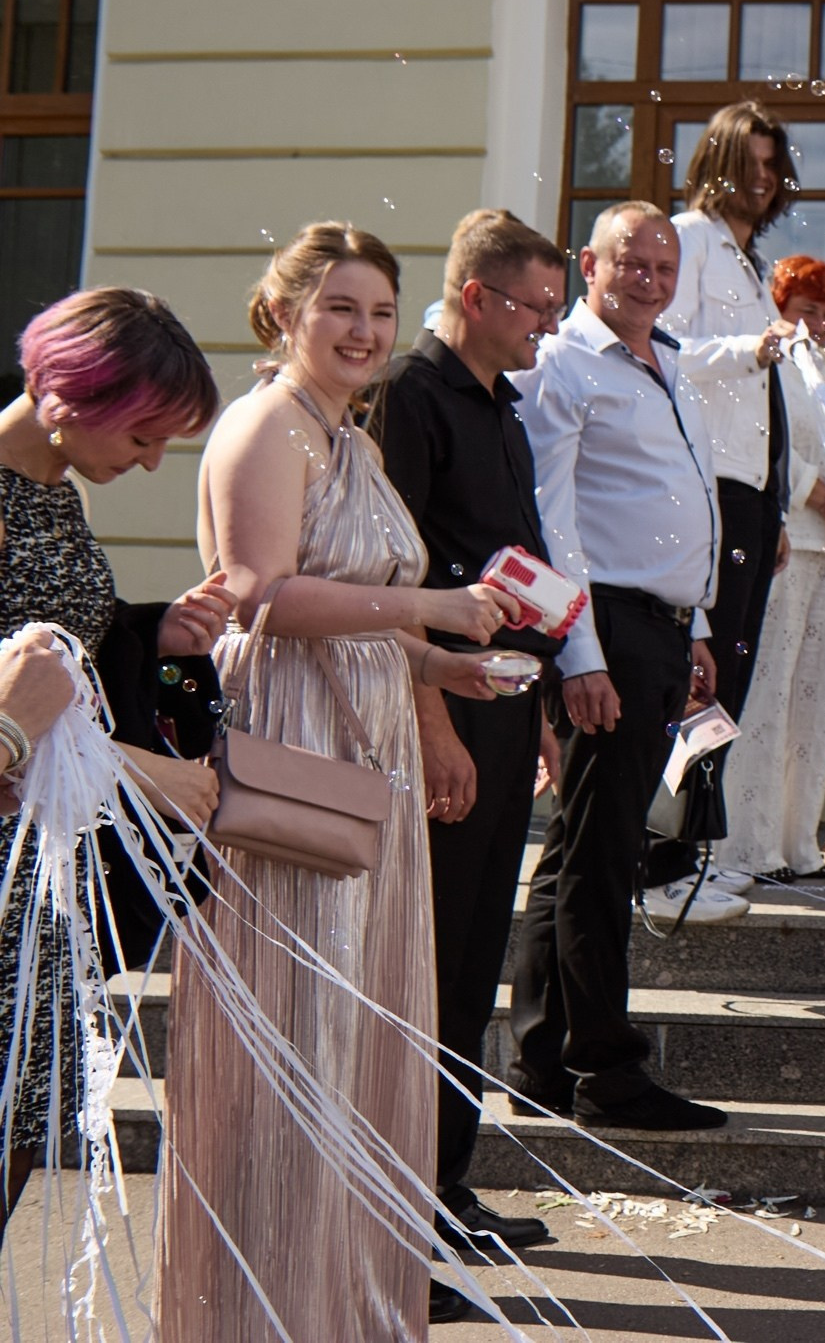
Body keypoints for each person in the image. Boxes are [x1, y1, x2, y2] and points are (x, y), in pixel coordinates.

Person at [161, 224, 516, 1338]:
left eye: (377, 310)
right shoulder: (268, 425)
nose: (364, 332)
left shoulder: (346, 438)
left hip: (366, 736)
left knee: (356, 1026)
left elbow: (361, 605)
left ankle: (337, 1294)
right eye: (340, 309)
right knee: (300, 1016)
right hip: (296, 741)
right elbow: (261, 594)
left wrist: (441, 663)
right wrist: (425, 609)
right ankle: (266, 1301)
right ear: (287, 314)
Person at [365, 210, 569, 1260]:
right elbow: (393, 576)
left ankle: (446, 1186)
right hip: (430, 714)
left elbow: (509, 572)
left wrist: (532, 706)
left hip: (498, 707)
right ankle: (401, 1208)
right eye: (537, 306)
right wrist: (434, 717)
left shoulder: (507, 408)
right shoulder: (410, 395)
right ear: (480, 297)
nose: (550, 325)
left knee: (475, 954)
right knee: (429, 961)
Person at [0, 289, 225, 1223]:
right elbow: (29, 708)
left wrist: (157, 638)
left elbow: (64, 665)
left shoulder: (53, 489)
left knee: (15, 1130)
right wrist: (154, 774)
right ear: (71, 402)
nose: (150, 461)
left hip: (35, 882)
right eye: (141, 437)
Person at [509, 202, 732, 1133]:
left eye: (664, 263)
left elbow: (679, 502)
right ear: (589, 265)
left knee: (579, 846)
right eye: (630, 261)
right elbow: (551, 516)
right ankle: (607, 1069)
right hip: (606, 627)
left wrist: (699, 626)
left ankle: (542, 1061)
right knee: (603, 852)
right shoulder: (563, 364)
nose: (649, 276)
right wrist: (579, 651)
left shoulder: (666, 359)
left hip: (662, 628)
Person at [660, 102, 801, 906]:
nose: (760, 179)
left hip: (746, 494)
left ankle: (689, 856)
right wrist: (750, 346)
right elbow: (668, 351)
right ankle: (661, 867)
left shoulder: (748, 263)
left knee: (730, 680)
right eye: (746, 163)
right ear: (715, 164)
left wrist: (772, 506)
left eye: (771, 165)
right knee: (698, 676)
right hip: (703, 483)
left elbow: (766, 408)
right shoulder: (686, 240)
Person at [717, 255, 825, 880]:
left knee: (816, 695)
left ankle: (800, 842)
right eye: (808, 312)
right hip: (784, 540)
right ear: (779, 308)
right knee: (768, 691)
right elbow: (756, 441)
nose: (820, 326)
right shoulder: (769, 363)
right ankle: (750, 844)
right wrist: (816, 493)